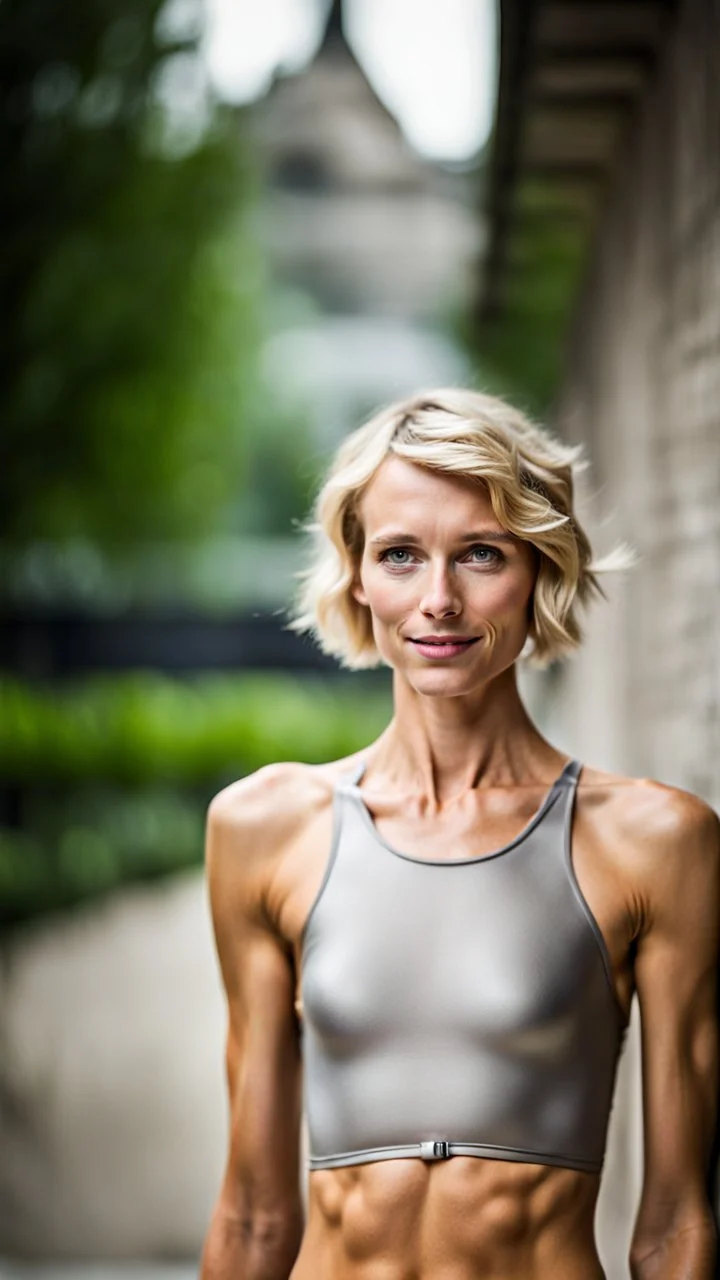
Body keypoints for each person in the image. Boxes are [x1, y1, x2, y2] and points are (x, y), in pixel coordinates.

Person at [200, 389, 719, 1280]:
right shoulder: (264, 827)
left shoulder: (654, 841)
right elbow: (253, 1214)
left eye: (481, 554)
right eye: (401, 555)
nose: (438, 600)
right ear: (357, 575)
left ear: (539, 569)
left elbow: (677, 1221)